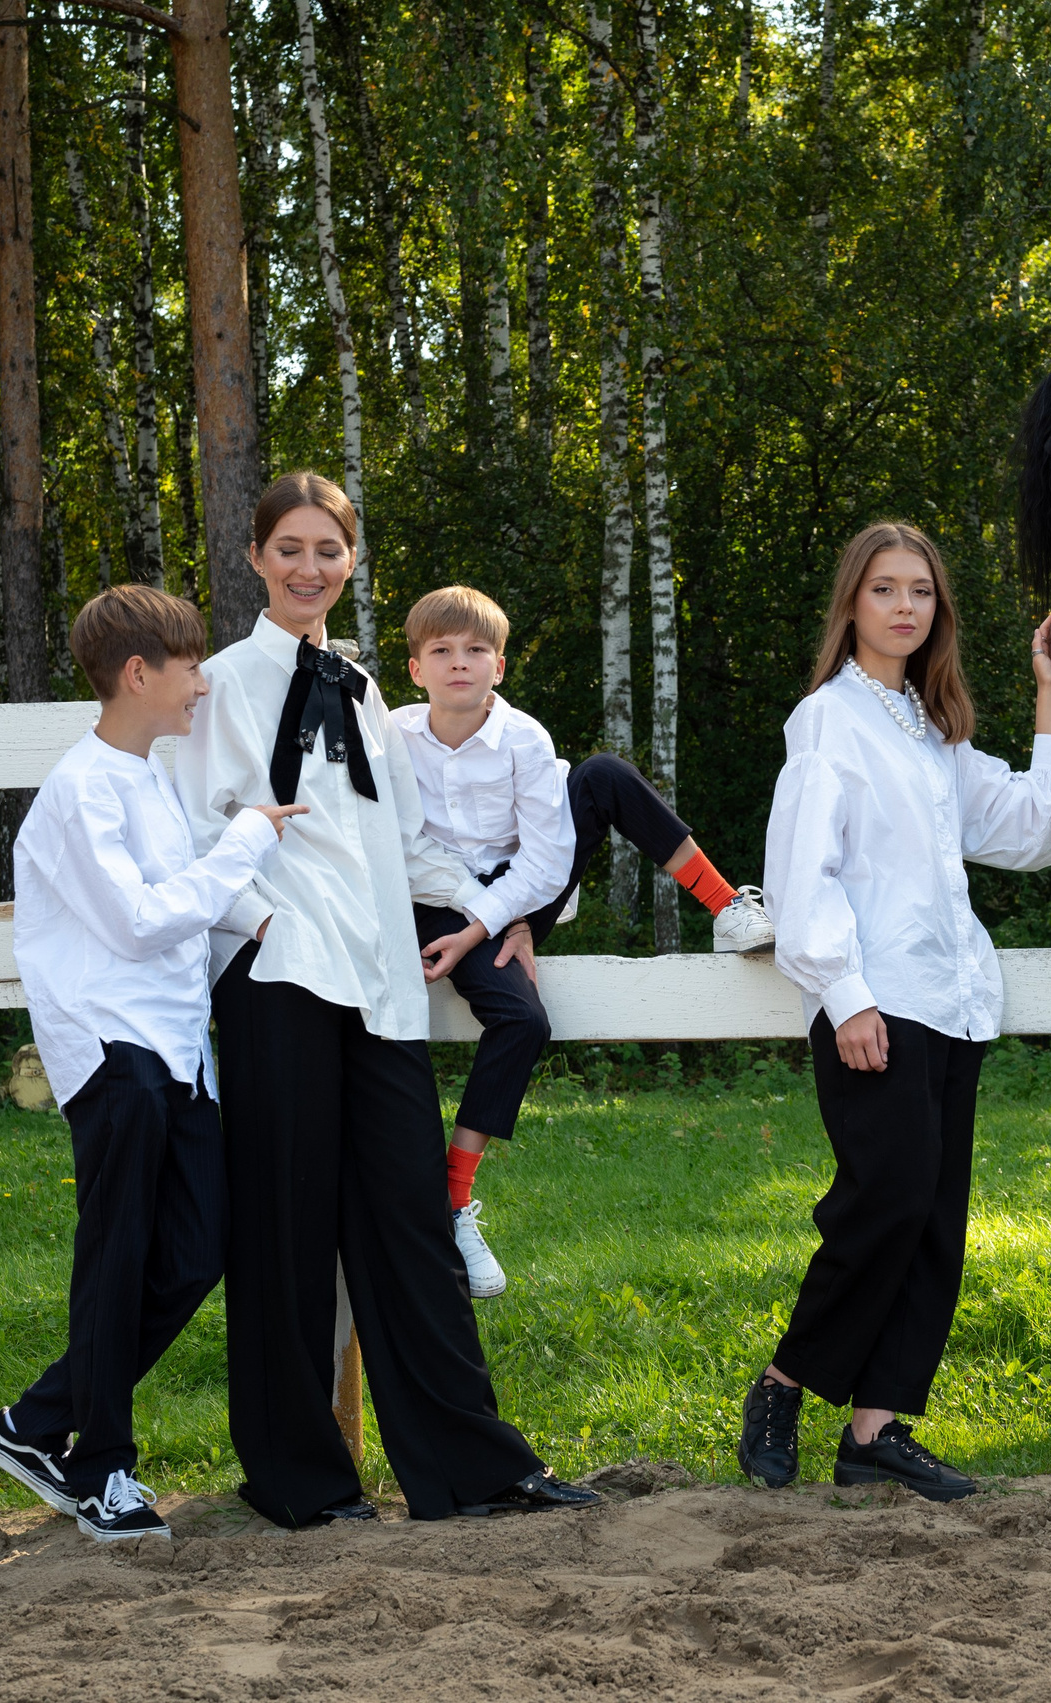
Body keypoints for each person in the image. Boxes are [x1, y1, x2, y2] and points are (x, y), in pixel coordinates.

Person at [175, 470, 597, 1526]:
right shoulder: (221, 684)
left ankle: (470, 1469)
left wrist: (495, 911)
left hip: (378, 986)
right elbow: (194, 827)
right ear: (256, 558)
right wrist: (260, 925)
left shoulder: (364, 691)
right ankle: (297, 1478)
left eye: (328, 549)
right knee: (283, 1225)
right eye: (289, 548)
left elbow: (405, 842)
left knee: (411, 1219)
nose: (309, 566)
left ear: (350, 561)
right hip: (279, 976)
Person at [739, 521, 1051, 1502]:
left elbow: (1033, 829)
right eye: (884, 588)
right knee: (881, 1204)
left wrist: (1050, 695)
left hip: (953, 1003)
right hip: (876, 1003)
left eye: (920, 591)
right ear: (852, 602)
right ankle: (783, 1383)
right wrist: (844, 994)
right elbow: (801, 872)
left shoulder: (933, 731)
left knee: (932, 1220)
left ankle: (876, 1428)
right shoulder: (827, 721)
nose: (903, 606)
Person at [0, 585, 304, 1542]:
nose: (202, 684)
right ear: (137, 673)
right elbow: (136, 920)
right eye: (190, 666)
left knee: (198, 1249)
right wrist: (247, 839)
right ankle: (102, 1469)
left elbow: (187, 895)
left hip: (177, 1050)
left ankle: (36, 1421)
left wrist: (268, 916)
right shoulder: (81, 790)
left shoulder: (149, 776)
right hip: (113, 1048)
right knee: (116, 1258)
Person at [390, 584, 776, 1299]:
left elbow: (544, 861)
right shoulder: (392, 736)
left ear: (500, 665)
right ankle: (451, 1204)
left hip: (520, 890)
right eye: (441, 650)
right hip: (436, 901)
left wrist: (500, 923)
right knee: (523, 1020)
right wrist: (477, 922)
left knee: (601, 775)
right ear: (416, 669)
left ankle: (725, 904)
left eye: (476, 649)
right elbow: (400, 848)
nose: (459, 662)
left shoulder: (525, 737)